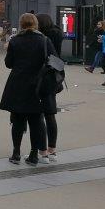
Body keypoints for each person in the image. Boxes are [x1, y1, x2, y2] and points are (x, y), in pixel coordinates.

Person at [0, 13, 51, 166]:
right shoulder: (44, 40)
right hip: (37, 85)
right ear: (35, 24)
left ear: (21, 24)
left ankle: (16, 152)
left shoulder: (15, 40)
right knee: (35, 120)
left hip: (18, 84)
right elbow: (53, 60)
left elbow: (9, 63)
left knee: (17, 120)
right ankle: (34, 154)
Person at [37, 13, 64, 162]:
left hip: (43, 75)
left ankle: (42, 151)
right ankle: (52, 149)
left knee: (39, 115)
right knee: (50, 114)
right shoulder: (58, 33)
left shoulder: (44, 38)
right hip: (54, 76)